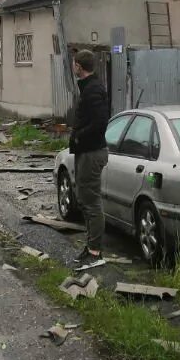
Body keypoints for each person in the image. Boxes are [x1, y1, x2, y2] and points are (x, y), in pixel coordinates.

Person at [69, 49, 110, 271]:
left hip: (91, 152)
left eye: (74, 64)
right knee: (84, 199)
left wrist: (79, 134)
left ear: (79, 66)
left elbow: (101, 121)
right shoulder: (90, 88)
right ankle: (91, 246)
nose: (73, 67)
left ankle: (95, 251)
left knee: (91, 202)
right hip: (86, 151)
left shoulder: (93, 89)